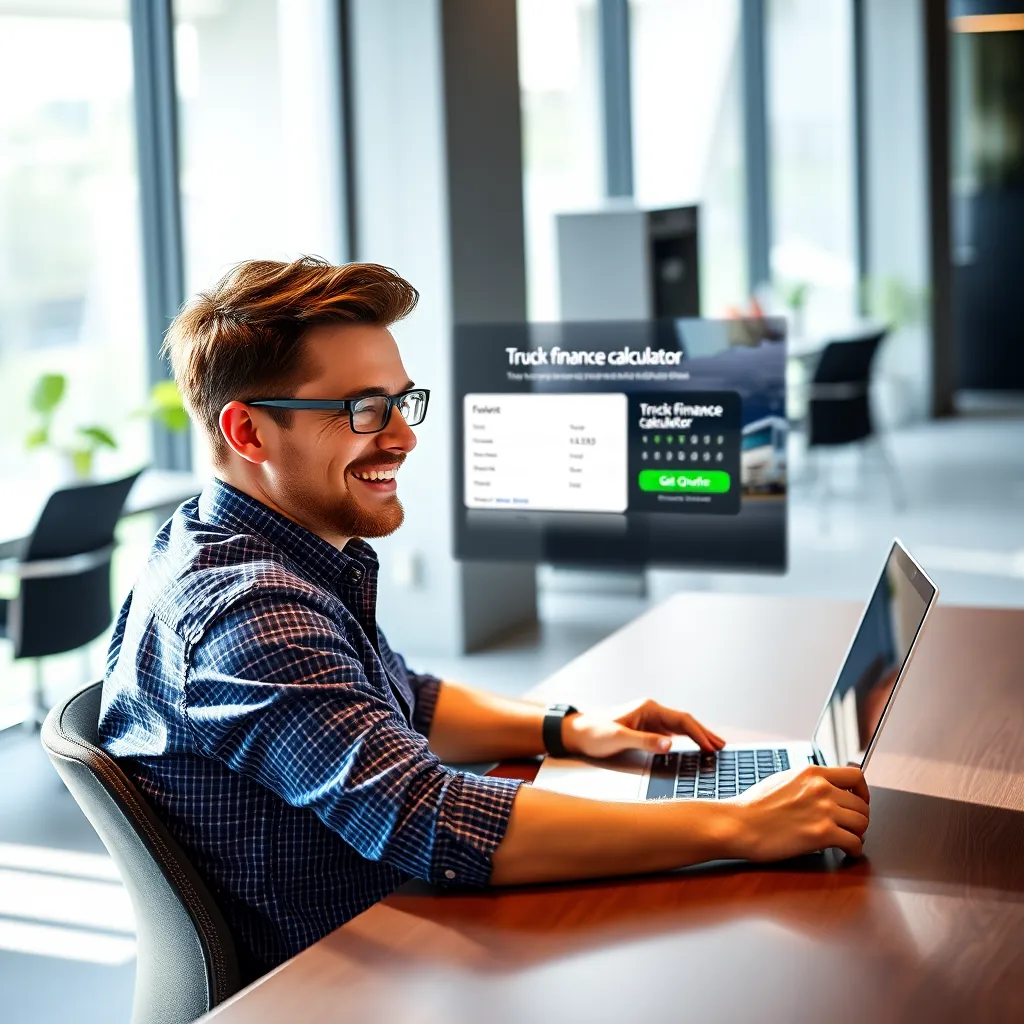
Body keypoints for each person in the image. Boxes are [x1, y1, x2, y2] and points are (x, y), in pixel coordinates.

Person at [100, 257, 870, 981]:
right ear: (248, 433)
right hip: (343, 977)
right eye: (365, 410)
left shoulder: (253, 545)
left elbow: (404, 698)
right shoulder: (247, 611)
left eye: (402, 401)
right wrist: (737, 826)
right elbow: (432, 819)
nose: (402, 435)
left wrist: (565, 729)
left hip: (393, 937)